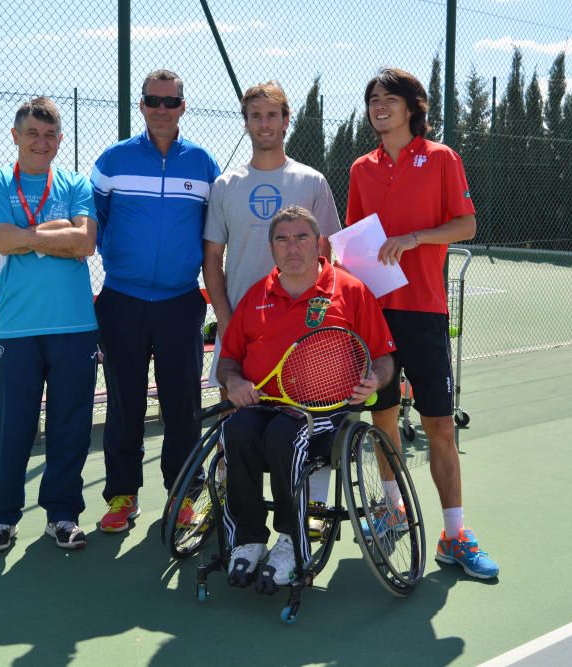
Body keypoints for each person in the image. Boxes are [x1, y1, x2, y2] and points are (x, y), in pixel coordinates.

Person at [346, 67, 499, 579]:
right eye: (372, 100)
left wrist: (414, 239)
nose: (379, 106)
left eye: (389, 98)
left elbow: (467, 225)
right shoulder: (360, 169)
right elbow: (353, 239)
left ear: (413, 107)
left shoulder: (441, 159)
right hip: (374, 315)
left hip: (425, 312)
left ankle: (454, 535)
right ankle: (394, 509)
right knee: (383, 419)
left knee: (438, 425)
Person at [218, 206, 395, 590]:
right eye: (282, 239)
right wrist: (233, 383)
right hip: (264, 405)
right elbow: (228, 361)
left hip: (326, 413)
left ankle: (290, 540)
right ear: (272, 249)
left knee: (286, 435)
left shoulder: (350, 291)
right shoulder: (256, 296)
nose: (292, 247)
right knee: (237, 429)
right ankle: (248, 539)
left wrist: (375, 381)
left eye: (301, 238)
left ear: (318, 244)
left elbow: (383, 358)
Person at [202, 80, 342, 536]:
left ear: (286, 120)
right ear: (246, 124)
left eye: (272, 115)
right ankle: (229, 509)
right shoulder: (226, 184)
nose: (264, 124)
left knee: (304, 421)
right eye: (255, 116)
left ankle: (309, 509)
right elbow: (212, 260)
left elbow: (330, 254)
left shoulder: (311, 181)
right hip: (243, 330)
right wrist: (227, 322)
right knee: (234, 424)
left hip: (303, 331)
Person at [90, 70, 221, 533]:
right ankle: (122, 496)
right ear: (141, 106)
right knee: (124, 403)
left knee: (181, 404)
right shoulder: (114, 160)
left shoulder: (204, 165)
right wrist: (124, 261)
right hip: (122, 300)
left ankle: (183, 493)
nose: (162, 110)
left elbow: (214, 233)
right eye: (153, 101)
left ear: (183, 107)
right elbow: (96, 223)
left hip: (181, 302)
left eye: (171, 102)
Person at [0, 97, 99, 552]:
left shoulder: (75, 182)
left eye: (50, 135)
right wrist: (51, 234)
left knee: (71, 425)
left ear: (60, 140)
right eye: (32, 133)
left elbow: (85, 242)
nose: (41, 142)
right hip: (18, 327)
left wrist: (25, 239)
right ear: (16, 136)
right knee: (13, 427)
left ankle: (62, 514)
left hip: (74, 326)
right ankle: (1, 518)